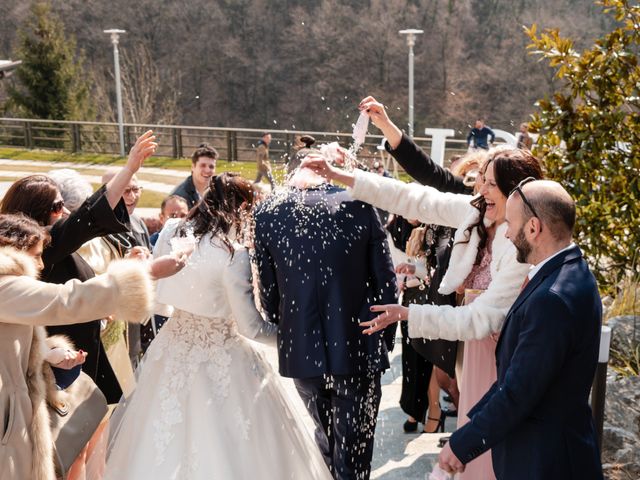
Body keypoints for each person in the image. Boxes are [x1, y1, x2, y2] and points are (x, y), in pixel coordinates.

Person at [304, 98, 544, 480]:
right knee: (475, 428)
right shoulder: (478, 211)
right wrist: (343, 176)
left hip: (505, 349)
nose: (479, 188)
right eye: (480, 180)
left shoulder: (519, 244)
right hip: (473, 347)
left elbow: (481, 318)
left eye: (489, 183)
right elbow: (415, 197)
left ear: (517, 193)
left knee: (493, 444)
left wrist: (407, 314)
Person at [104, 173, 331, 480]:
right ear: (241, 209)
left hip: (171, 347)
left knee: (156, 434)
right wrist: (288, 338)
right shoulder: (233, 254)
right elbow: (250, 327)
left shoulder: (172, 229)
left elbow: (157, 300)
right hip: (222, 354)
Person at [438, 180, 604, 479]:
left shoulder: (553, 297)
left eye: (510, 224)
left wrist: (463, 444)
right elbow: (513, 376)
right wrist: (469, 428)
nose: (507, 232)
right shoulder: (570, 271)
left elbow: (519, 391)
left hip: (545, 460)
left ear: (533, 228)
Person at [254, 152, 397, 480]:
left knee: (325, 439)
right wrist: (384, 338)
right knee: (355, 449)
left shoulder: (267, 212)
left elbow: (269, 292)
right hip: (359, 344)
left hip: (302, 346)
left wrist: (289, 326)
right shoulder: (360, 204)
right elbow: (385, 280)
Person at [0, 131, 157, 404]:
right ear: (37, 211)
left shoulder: (42, 245)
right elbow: (88, 217)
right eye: (59, 205)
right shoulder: (45, 246)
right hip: (62, 365)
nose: (66, 211)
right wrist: (129, 168)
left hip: (77, 351)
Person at [0, 213, 154, 480]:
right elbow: (67, 300)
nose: (41, 264)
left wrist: (47, 353)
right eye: (35, 255)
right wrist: (145, 274)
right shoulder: (6, 285)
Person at [171, 143, 218, 208]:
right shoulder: (180, 197)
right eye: (203, 165)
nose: (207, 170)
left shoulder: (218, 191)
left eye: (211, 166)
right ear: (193, 167)